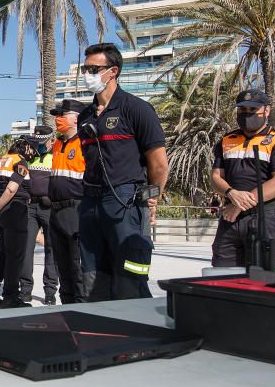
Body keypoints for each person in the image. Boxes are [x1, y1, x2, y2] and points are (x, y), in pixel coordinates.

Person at [76, 43, 167, 302]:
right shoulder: (85, 116)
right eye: (85, 69)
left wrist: (152, 197)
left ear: (113, 71)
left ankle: (142, 335)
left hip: (125, 200)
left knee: (130, 276)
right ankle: (100, 333)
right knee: (92, 277)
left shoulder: (137, 108)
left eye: (94, 69)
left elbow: (159, 164)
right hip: (91, 201)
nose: (87, 74)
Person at [209, 89, 275, 267]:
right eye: (242, 110)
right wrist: (230, 192)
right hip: (230, 219)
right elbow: (215, 177)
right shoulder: (227, 140)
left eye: (252, 111)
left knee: (263, 278)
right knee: (222, 275)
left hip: (266, 217)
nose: (246, 115)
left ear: (266, 111)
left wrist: (238, 204)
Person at [0, 138, 35, 309]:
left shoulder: (2, 160)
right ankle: (10, 297)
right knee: (15, 256)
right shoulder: (20, 162)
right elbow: (12, 188)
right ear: (25, 148)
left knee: (3, 252)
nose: (33, 151)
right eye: (32, 148)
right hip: (13, 210)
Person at [47, 99, 87, 304]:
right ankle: (67, 305)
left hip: (76, 209)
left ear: (76, 119)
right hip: (56, 210)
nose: (58, 119)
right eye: (57, 115)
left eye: (63, 115)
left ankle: (81, 306)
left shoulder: (84, 142)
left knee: (77, 263)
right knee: (62, 263)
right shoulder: (57, 143)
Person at [22, 125, 60, 304]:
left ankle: (50, 292)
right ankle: (26, 290)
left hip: (50, 208)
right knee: (26, 248)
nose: (40, 145)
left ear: (52, 140)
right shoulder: (30, 157)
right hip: (31, 207)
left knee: (51, 250)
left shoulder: (57, 157)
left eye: (42, 142)